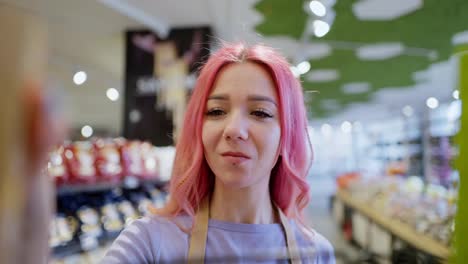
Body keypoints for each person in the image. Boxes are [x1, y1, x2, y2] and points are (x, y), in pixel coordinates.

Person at [102, 42, 335, 263]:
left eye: (260, 112)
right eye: (216, 111)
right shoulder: (149, 243)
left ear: (287, 134)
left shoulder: (314, 254)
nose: (233, 129)